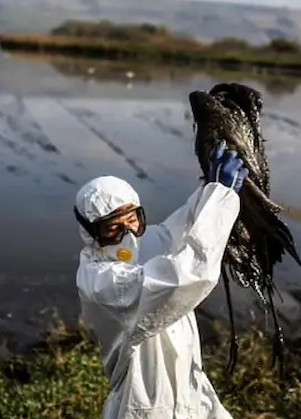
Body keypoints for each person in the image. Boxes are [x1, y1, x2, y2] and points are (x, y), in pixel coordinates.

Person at [74, 141, 248, 419]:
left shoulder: (149, 240)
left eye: (132, 219)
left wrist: (212, 192)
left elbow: (182, 227)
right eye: (112, 228)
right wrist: (220, 200)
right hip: (148, 397)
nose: (128, 233)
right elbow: (184, 276)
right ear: (91, 232)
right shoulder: (100, 282)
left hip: (188, 381)